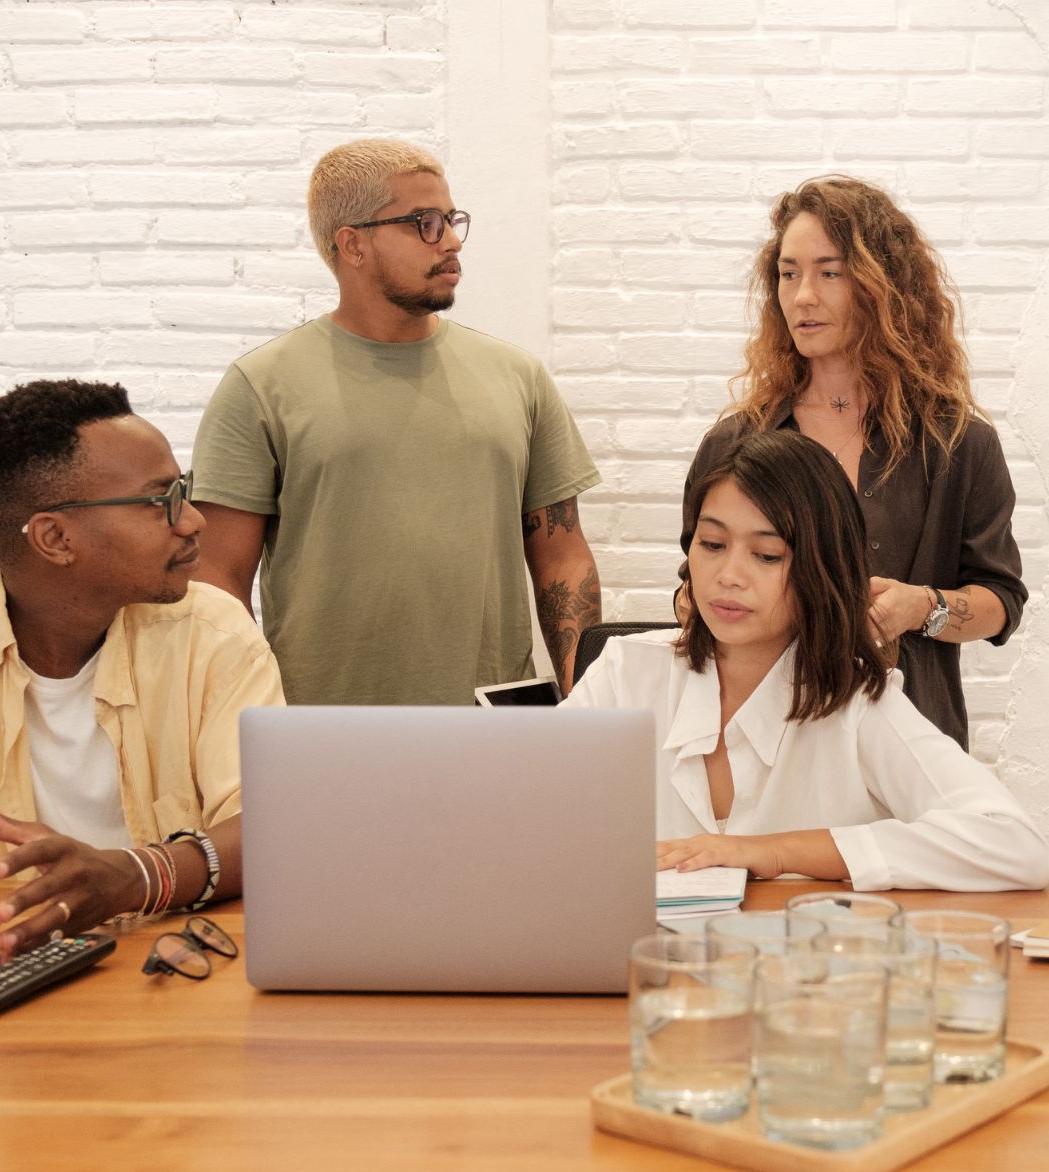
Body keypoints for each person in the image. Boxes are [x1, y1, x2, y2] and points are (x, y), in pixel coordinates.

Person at [0, 380, 285, 967]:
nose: (193, 521)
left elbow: (275, 828)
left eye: (185, 492)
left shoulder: (213, 632)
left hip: (165, 974)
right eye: (161, 501)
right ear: (55, 538)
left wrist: (135, 876)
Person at [191, 138, 601, 704]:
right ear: (353, 244)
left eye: (452, 220)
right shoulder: (261, 387)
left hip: (493, 721)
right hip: (321, 726)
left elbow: (562, 553)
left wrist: (583, 698)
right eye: (424, 223)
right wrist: (249, 716)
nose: (452, 241)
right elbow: (216, 581)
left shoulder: (518, 377)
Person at [565, 431, 1047, 893]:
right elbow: (523, 813)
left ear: (822, 567)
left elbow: (1015, 843)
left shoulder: (858, 705)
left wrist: (772, 853)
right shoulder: (624, 673)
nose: (728, 576)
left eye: (768, 555)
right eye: (711, 545)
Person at [682, 175, 1025, 749]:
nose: (803, 296)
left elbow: (1001, 601)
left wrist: (924, 607)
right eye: (788, 273)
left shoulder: (960, 446)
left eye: (830, 272)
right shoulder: (736, 443)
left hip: (910, 740)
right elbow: (689, 591)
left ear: (882, 285)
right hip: (762, 741)